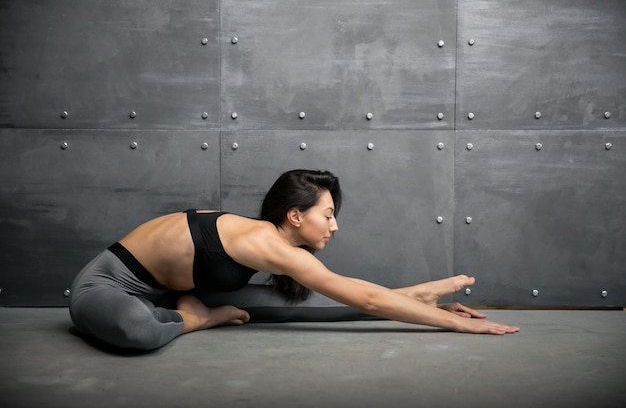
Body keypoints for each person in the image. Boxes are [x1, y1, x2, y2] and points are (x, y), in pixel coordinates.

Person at [69, 169, 519, 350]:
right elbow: (367, 298)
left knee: (315, 305)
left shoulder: (272, 240)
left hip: (180, 286)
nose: (334, 226)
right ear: (294, 215)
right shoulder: (265, 244)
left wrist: (420, 302)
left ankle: (417, 294)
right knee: (136, 330)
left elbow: (353, 298)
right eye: (328, 214)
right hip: (109, 285)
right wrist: (463, 325)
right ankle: (196, 320)